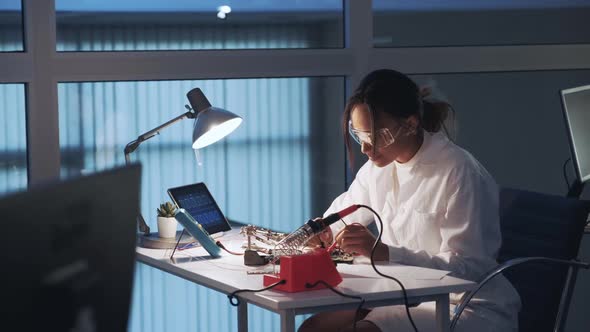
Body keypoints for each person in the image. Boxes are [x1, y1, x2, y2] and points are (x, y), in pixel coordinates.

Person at [298, 69, 521, 332]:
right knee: (313, 328)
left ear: (411, 124)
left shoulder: (459, 172)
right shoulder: (377, 168)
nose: (365, 149)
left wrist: (385, 253)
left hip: (465, 305)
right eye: (360, 135)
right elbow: (341, 215)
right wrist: (323, 232)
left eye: (376, 136)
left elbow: (469, 267)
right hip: (403, 294)